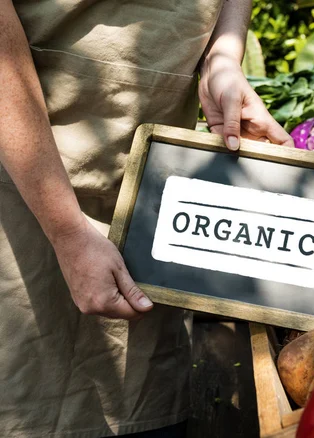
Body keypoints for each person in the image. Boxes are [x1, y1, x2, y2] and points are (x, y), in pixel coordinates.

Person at [0, 0, 293, 437]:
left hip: (152, 182)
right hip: (31, 182)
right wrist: (66, 231)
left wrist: (222, 54)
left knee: (143, 402)